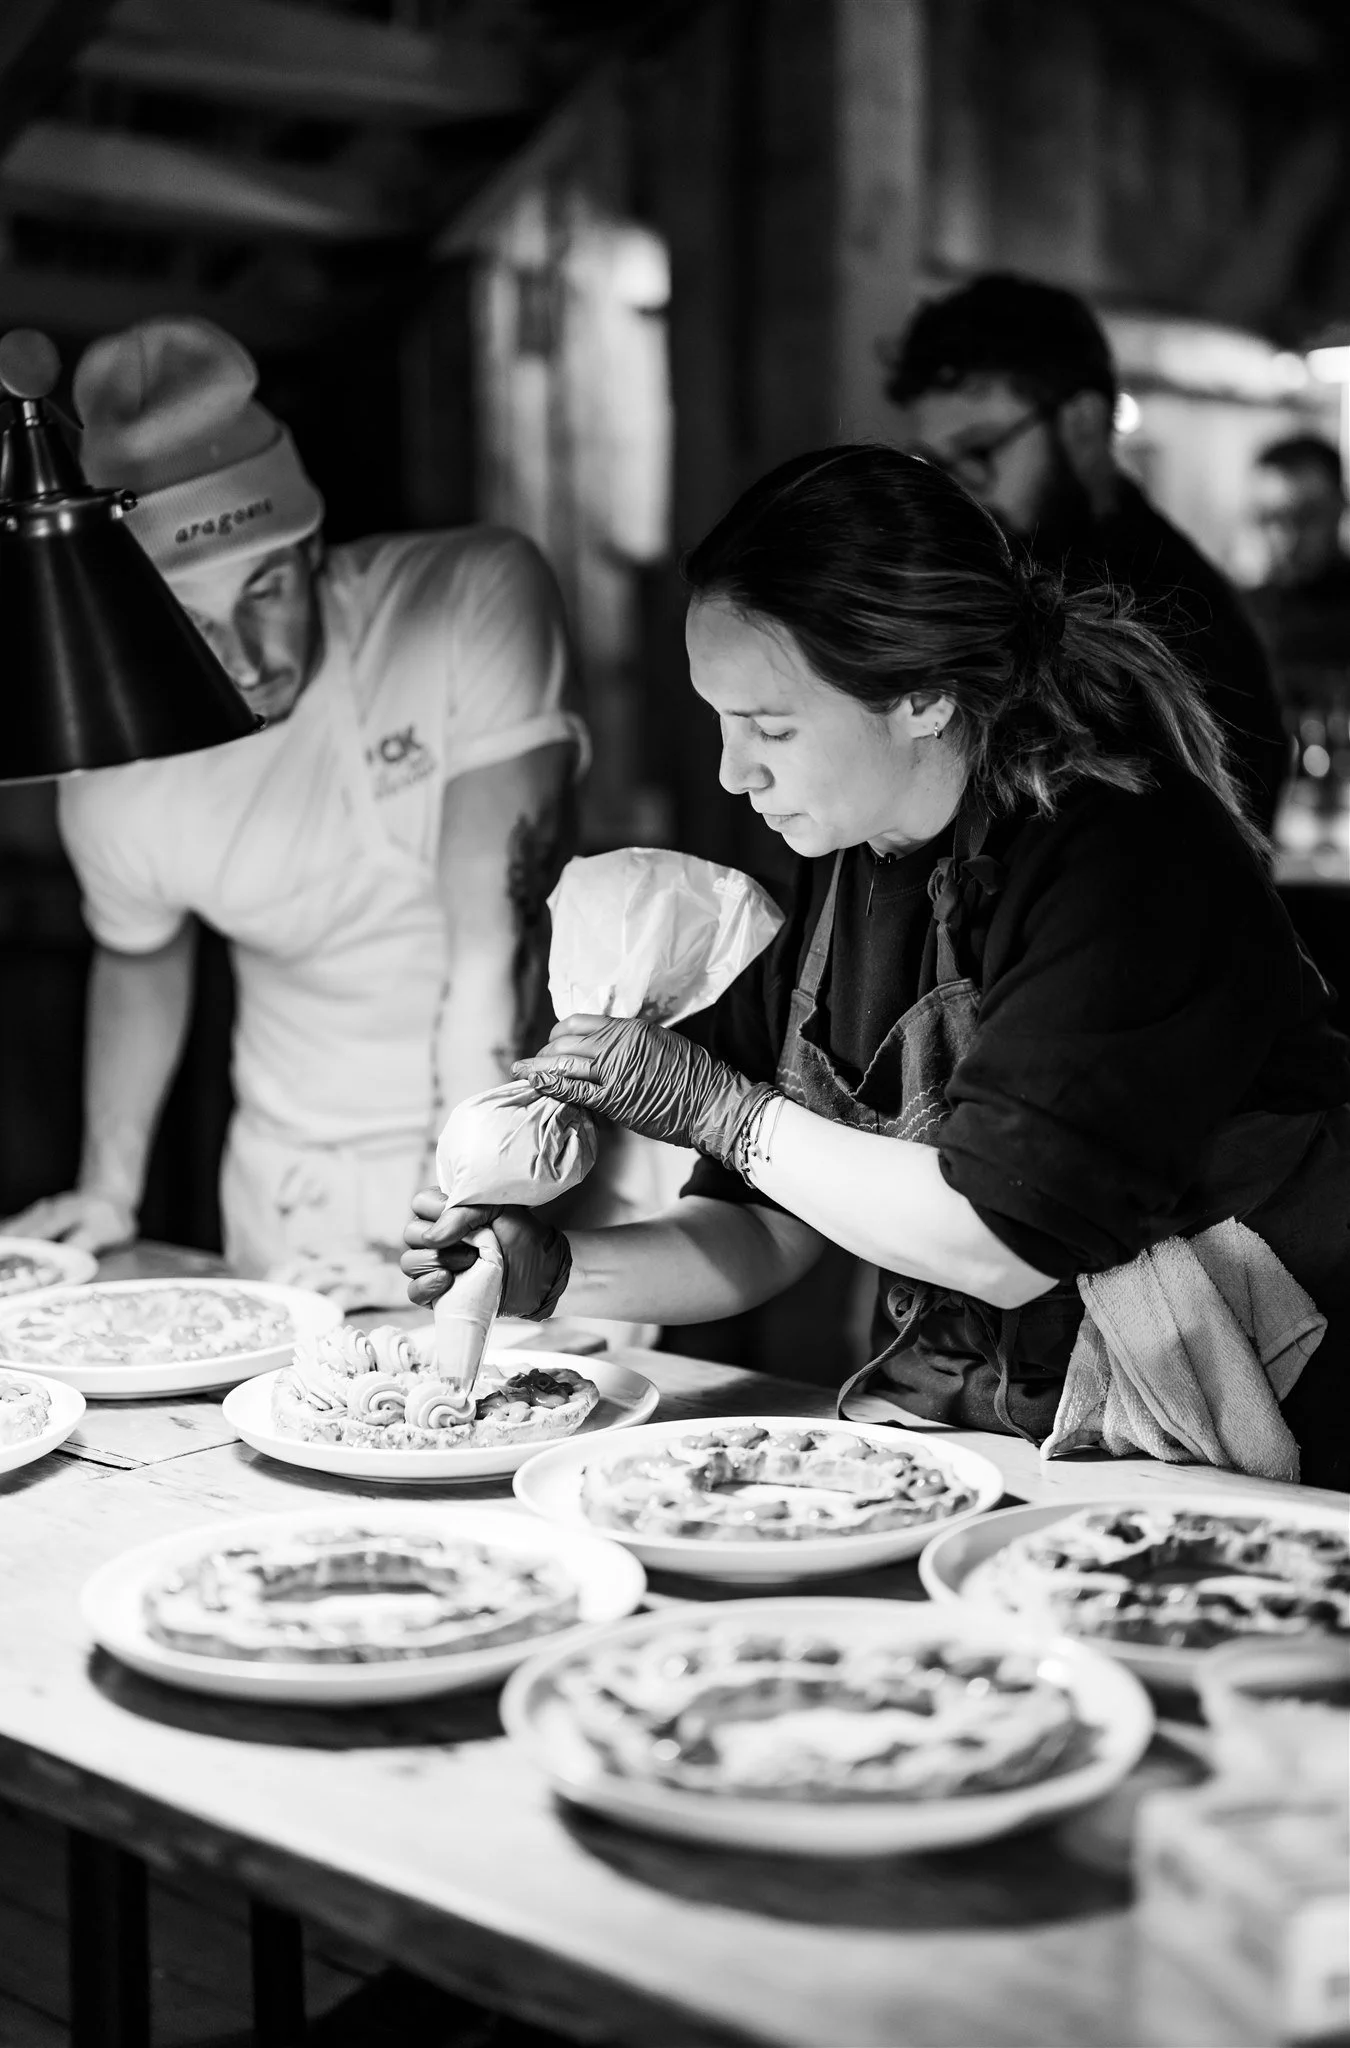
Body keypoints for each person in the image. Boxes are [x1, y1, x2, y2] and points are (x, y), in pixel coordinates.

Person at [403, 446, 1350, 1486]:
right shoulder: (850, 860)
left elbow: (999, 1235)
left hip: (1243, 1432)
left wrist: (730, 1114)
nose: (731, 770)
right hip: (1014, 1426)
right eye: (720, 719)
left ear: (923, 697)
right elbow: (767, 1225)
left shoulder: (1121, 852)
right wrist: (556, 1272)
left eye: (770, 726)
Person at [4, 318, 584, 1290]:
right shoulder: (111, 772)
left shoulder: (468, 599)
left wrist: (465, 1209)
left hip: (520, 1139)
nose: (246, 652)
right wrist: (108, 1188)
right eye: (191, 617)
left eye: (267, 584)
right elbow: (140, 952)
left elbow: (489, 951)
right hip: (292, 1186)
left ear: (313, 541)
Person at [884, 273, 1289, 829]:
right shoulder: (986, 585)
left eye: (980, 449)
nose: (959, 490)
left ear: (1083, 423)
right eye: (935, 462)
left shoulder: (1175, 616)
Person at [1245, 434, 1350, 714]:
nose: (1287, 537)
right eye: (1270, 518)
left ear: (1340, 508)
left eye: (1307, 516)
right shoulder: (1241, 615)